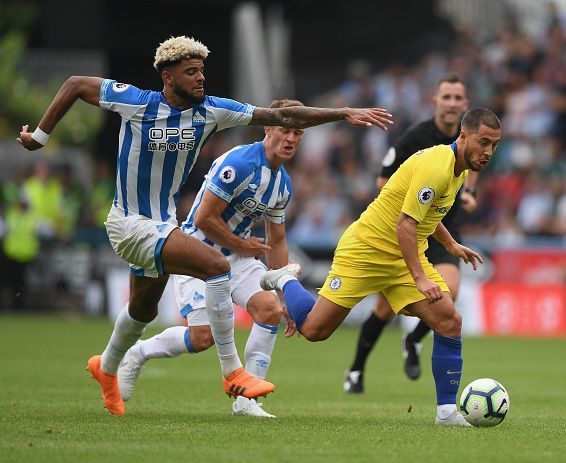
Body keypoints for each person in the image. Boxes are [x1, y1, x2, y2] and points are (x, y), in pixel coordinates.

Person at [16, 36, 391, 415]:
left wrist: (342, 112)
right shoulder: (137, 102)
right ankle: (234, 375)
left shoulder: (213, 111)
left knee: (142, 311)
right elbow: (76, 85)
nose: (200, 79)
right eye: (190, 72)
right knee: (216, 267)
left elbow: (281, 116)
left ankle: (108, 366)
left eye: (202, 71)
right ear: (168, 77)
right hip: (131, 223)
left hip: (164, 226)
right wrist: (40, 137)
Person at [261, 107, 501, 426]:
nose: (488, 152)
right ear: (464, 136)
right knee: (315, 330)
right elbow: (405, 225)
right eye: (483, 142)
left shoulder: (460, 169)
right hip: (366, 250)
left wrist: (450, 244)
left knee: (448, 320)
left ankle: (446, 413)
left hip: (402, 256)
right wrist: (420, 277)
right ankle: (285, 278)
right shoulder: (437, 167)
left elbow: (430, 213)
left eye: (494, 145)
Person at [117, 99, 305, 418]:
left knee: (270, 310)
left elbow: (278, 240)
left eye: (298, 132)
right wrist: (242, 244)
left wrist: (283, 290)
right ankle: (137, 353)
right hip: (198, 253)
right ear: (268, 127)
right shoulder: (239, 163)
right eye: (285, 129)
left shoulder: (282, 183)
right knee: (201, 337)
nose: (291, 138)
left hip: (239, 256)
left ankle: (246, 400)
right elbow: (203, 218)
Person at [344, 74, 477, 393]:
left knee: (449, 294)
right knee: (384, 308)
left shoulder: (469, 138)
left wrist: (469, 193)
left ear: (465, 104)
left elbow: (470, 169)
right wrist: (414, 200)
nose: (452, 103)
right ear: (435, 101)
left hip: (444, 229)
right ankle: (356, 369)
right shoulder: (415, 138)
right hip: (408, 228)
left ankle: (413, 339)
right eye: (446, 97)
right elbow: (382, 181)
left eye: (458, 98)